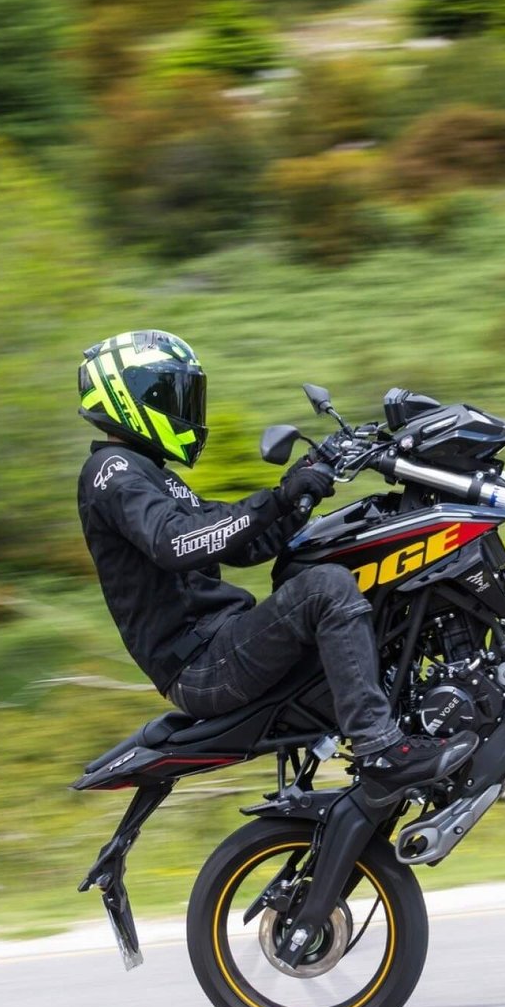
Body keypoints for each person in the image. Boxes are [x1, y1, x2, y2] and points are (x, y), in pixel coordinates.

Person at [73, 330, 477, 803]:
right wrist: (278, 498)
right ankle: (379, 748)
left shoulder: (153, 475)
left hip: (220, 644)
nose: (185, 406)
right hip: (202, 663)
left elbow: (242, 545)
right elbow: (179, 543)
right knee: (326, 588)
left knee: (349, 555)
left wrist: (302, 488)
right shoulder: (114, 472)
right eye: (170, 393)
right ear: (128, 399)